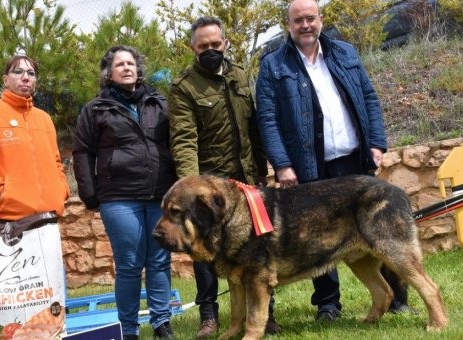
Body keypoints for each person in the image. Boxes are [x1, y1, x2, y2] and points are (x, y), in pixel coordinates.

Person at [255, 0, 414, 323]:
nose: (305, 25)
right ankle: (328, 305)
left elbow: (368, 97)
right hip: (309, 166)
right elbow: (267, 120)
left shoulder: (345, 53)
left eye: (310, 18)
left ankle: (398, 299)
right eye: (298, 20)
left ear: (321, 19)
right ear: (289, 25)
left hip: (354, 160)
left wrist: (377, 143)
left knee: (378, 230)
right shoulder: (273, 65)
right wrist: (283, 165)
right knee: (316, 239)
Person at [168, 16, 279, 339]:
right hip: (210, 188)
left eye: (216, 45)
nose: (211, 50)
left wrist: (262, 169)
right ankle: (208, 315)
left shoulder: (240, 76)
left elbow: (253, 128)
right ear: (193, 48)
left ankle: (265, 315)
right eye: (203, 46)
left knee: (258, 250)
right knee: (206, 252)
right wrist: (192, 188)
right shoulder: (184, 86)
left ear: (226, 44)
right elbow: (184, 139)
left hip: (246, 183)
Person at [72, 46, 178, 340]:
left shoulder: (159, 103)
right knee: (130, 265)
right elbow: (82, 152)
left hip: (160, 195)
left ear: (139, 69)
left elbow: (175, 143)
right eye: (119, 64)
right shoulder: (95, 109)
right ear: (109, 73)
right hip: (119, 198)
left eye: (131, 63)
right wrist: (89, 193)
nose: (127, 68)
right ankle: (128, 328)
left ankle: (161, 322)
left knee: (159, 261)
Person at [0, 55, 69, 221]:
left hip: (49, 217)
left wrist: (61, 190)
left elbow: (56, 162)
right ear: (5, 80)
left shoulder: (44, 118)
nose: (25, 77)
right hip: (8, 219)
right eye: (18, 71)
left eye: (31, 73)